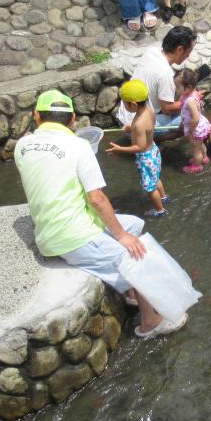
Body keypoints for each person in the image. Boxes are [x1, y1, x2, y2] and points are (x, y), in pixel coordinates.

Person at [14, 89, 190, 339]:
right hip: (70, 237)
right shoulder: (79, 146)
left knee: (135, 224)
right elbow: (96, 197)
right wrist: (120, 237)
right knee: (136, 256)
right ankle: (151, 323)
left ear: (36, 116)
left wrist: (122, 232)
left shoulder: (22, 145)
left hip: (60, 226)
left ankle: (131, 293)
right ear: (73, 119)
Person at [107, 80, 169, 218]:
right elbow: (148, 128)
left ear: (133, 104)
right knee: (155, 178)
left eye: (124, 103)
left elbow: (139, 147)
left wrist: (119, 149)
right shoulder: (149, 111)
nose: (124, 106)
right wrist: (131, 127)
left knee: (150, 188)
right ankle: (164, 197)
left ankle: (160, 210)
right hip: (154, 150)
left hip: (146, 158)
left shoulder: (139, 124)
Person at [118, 26, 197, 130]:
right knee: (192, 117)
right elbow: (167, 109)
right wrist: (193, 100)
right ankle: (155, 140)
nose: (188, 55)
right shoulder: (166, 74)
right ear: (180, 50)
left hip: (124, 116)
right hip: (135, 127)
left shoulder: (151, 51)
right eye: (189, 51)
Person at [178, 68, 210, 174]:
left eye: (178, 87)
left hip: (195, 127)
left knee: (195, 148)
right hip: (200, 125)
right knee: (200, 144)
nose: (176, 89)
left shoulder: (190, 101)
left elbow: (195, 117)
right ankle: (204, 158)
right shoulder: (192, 93)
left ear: (189, 87)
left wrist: (191, 130)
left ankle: (197, 166)